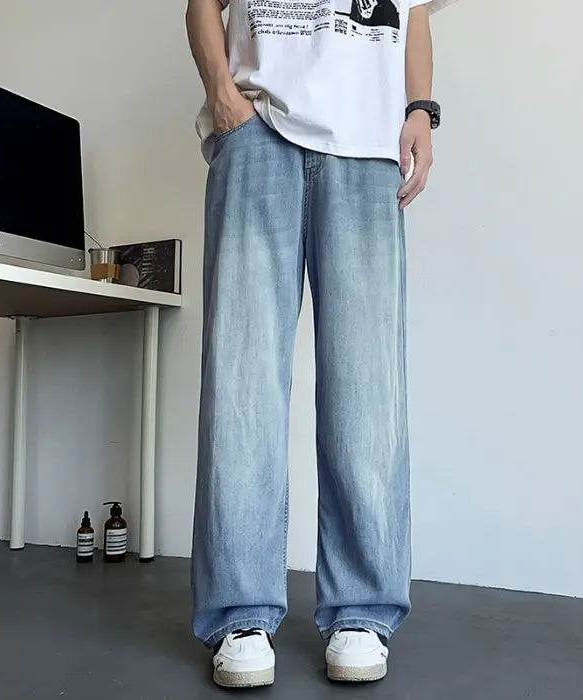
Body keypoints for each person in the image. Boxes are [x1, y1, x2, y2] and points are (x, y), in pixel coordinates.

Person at [186, 0, 439, 688]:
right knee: (241, 378)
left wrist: (421, 110)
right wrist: (222, 96)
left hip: (368, 144)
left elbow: (414, 10)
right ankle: (239, 611)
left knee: (368, 384)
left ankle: (362, 609)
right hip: (256, 130)